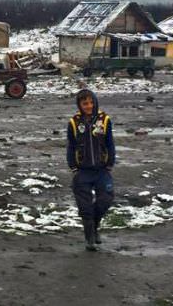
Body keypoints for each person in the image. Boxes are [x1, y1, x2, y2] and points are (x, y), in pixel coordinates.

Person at [66, 88, 115, 251]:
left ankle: (94, 227)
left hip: (102, 170)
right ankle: (89, 239)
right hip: (82, 171)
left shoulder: (105, 120)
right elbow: (71, 146)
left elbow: (110, 143)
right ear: (79, 105)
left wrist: (110, 163)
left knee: (105, 200)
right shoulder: (74, 122)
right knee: (85, 207)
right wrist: (73, 166)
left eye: (91, 102)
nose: (88, 106)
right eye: (85, 103)